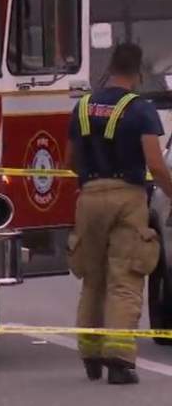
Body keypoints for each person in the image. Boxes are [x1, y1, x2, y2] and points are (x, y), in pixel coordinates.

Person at [67, 43, 171, 385]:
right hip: (127, 196)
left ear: (110, 68)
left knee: (92, 279)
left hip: (90, 196)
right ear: (138, 74)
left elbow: (69, 161)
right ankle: (120, 359)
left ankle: (90, 355)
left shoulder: (82, 107)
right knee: (125, 279)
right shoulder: (140, 109)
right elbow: (155, 163)